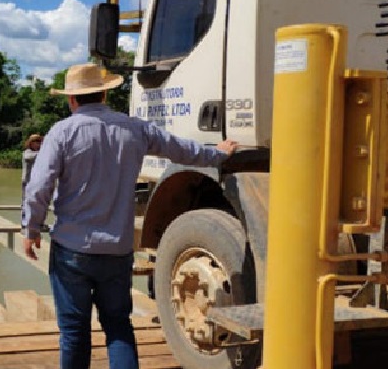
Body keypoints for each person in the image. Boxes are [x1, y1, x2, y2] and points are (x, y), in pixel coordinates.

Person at [22, 63, 239, 369]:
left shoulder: (62, 132)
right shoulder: (134, 129)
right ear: (106, 93)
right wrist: (217, 152)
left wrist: (31, 228)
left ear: (71, 99)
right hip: (117, 250)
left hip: (72, 251)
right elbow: (182, 151)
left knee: (74, 332)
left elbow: (38, 187)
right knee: (118, 327)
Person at [21, 133, 43, 225]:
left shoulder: (42, 153)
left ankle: (38, 223)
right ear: (31, 143)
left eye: (39, 141)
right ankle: (24, 223)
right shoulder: (27, 152)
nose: (38, 143)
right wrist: (45, 152)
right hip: (27, 181)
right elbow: (28, 157)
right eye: (36, 141)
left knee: (39, 203)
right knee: (26, 202)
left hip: (38, 182)